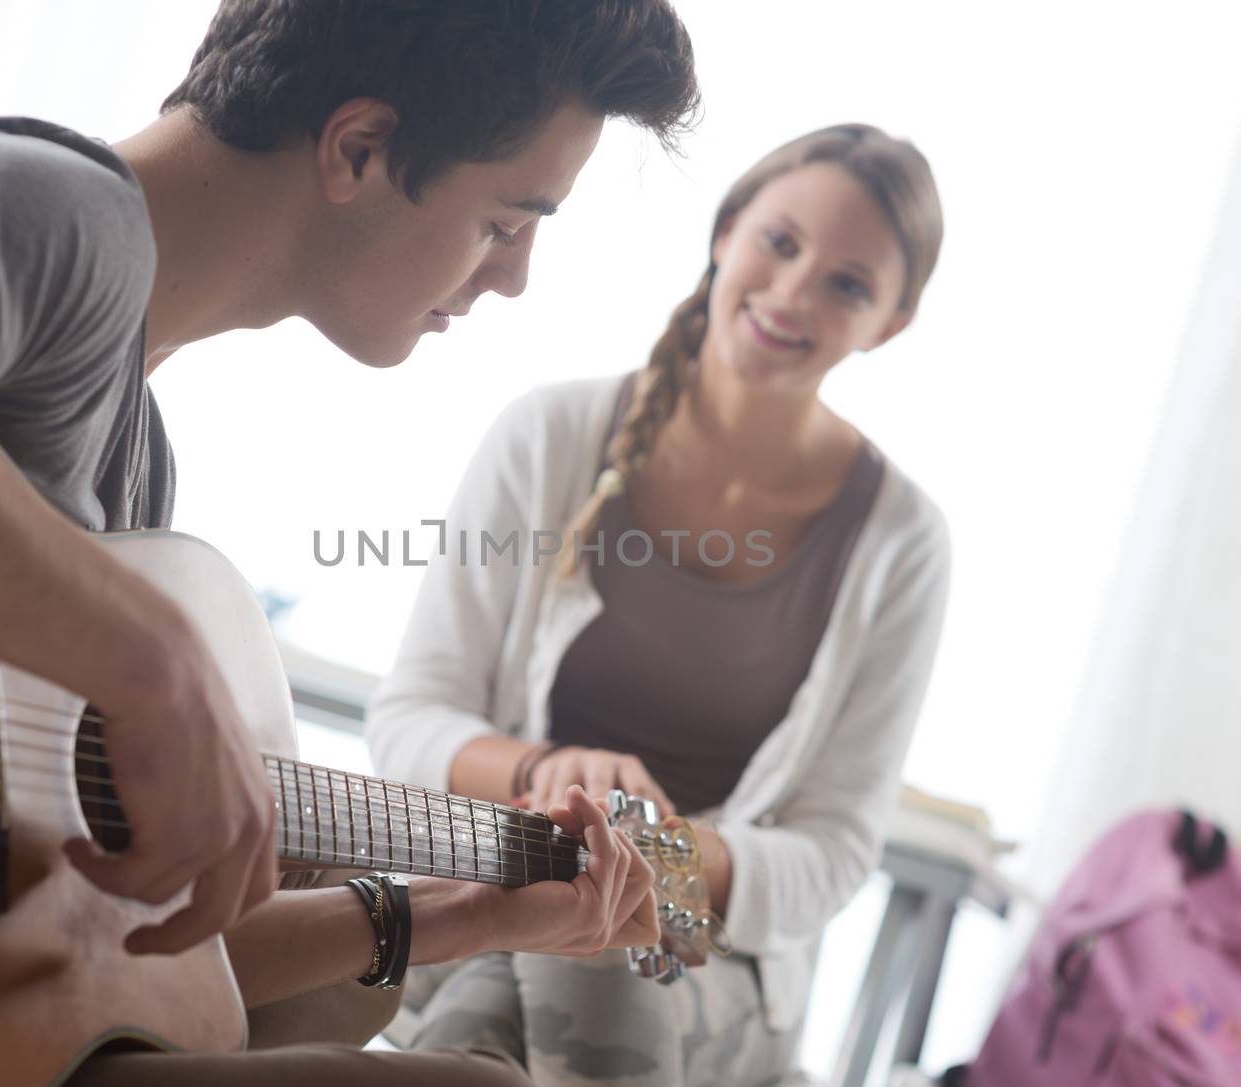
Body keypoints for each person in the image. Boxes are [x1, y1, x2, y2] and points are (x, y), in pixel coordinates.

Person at [0, 1, 700, 1083]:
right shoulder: (64, 211)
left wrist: (467, 911)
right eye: (505, 220)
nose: (513, 276)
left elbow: (114, 962)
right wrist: (150, 663)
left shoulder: (134, 473)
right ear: (360, 148)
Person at [366, 124, 951, 1086]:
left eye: (849, 284)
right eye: (781, 242)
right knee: (536, 965)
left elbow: (833, 854)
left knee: (579, 957)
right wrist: (553, 774)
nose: (795, 291)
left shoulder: (904, 543)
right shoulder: (548, 435)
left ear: (888, 323)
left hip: (717, 958)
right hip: (504, 891)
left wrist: (644, 860)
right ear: (726, 233)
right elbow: (411, 720)